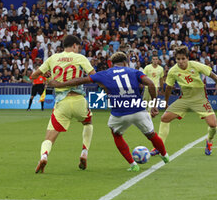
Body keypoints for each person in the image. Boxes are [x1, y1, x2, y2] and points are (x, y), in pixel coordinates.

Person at [49, 52, 169, 172]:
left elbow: (81, 80)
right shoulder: (134, 72)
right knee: (151, 134)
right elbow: (150, 83)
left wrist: (60, 84)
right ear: (126, 62)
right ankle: (165, 156)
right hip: (138, 110)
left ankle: (133, 164)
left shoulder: (104, 74)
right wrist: (154, 104)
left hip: (119, 113)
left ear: (111, 63)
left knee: (116, 134)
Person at [151, 46, 217, 157]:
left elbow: (214, 76)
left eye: (183, 59)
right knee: (164, 118)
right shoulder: (173, 71)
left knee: (213, 125)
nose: (180, 61)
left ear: (187, 58)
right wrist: (166, 102)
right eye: (178, 59)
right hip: (185, 99)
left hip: (200, 99)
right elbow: (169, 88)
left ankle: (209, 140)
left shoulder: (195, 65)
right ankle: (159, 146)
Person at [31, 35, 95, 173]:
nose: (78, 49)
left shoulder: (53, 58)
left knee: (49, 137)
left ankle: (44, 156)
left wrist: (47, 76)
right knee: (88, 123)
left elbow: (33, 76)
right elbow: (93, 76)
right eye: (78, 47)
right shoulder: (80, 58)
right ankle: (84, 152)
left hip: (62, 103)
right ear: (74, 46)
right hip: (79, 100)